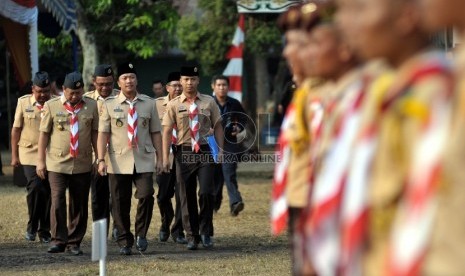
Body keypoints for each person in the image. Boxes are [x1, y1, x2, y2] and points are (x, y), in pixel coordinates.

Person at [337, 0, 454, 275]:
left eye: (360, 10)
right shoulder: (384, 89)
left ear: (407, 18)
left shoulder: (435, 94)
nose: (345, 24)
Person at [97, 62, 163, 256]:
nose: (129, 81)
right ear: (119, 82)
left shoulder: (149, 103)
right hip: (118, 160)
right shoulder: (109, 104)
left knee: (146, 195)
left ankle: (141, 233)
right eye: (125, 78)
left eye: (132, 77)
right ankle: (125, 240)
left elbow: (156, 132)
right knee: (119, 202)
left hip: (143, 158)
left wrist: (161, 158)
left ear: (136, 80)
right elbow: (102, 134)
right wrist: (101, 159)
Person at [162, 66, 224, 250]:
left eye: (193, 79)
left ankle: (205, 232)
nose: (189, 83)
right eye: (186, 79)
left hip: (204, 150)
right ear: (181, 81)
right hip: (184, 151)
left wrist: (220, 149)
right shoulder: (173, 104)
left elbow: (218, 125)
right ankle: (191, 235)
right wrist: (165, 157)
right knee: (186, 195)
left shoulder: (209, 102)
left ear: (198, 81)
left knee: (206, 191)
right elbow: (166, 131)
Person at [37, 71, 99, 255]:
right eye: (71, 92)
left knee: (79, 203)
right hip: (57, 162)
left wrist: (99, 157)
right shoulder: (51, 106)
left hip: (82, 162)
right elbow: (44, 135)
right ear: (63, 89)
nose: (75, 96)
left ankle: (74, 242)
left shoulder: (91, 106)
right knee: (57, 200)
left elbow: (95, 133)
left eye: (78, 92)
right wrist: (40, 161)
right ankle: (58, 240)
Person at [11, 71, 52, 243]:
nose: (42, 95)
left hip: (50, 153)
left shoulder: (56, 103)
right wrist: (14, 156)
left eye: (46, 91)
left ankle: (45, 231)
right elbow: (16, 130)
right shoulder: (23, 102)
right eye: (39, 91)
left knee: (48, 191)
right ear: (33, 88)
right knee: (35, 187)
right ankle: (32, 226)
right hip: (29, 152)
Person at [83, 64, 119, 236]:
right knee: (98, 197)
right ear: (93, 82)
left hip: (119, 156)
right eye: (101, 84)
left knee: (118, 195)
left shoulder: (122, 97)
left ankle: (119, 227)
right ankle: (100, 234)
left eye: (109, 84)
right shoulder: (85, 100)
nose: (105, 88)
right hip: (95, 157)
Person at [155, 71, 187, 244]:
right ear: (167, 88)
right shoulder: (156, 105)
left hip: (184, 156)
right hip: (164, 156)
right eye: (174, 85)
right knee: (162, 196)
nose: (177, 88)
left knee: (183, 195)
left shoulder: (190, 104)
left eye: (179, 85)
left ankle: (178, 229)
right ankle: (165, 222)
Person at [212, 75, 246, 216]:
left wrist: (239, 127)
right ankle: (214, 204)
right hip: (212, 143)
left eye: (224, 85)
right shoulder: (208, 102)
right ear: (213, 86)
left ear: (228, 87)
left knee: (229, 173)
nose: (221, 87)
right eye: (219, 85)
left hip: (230, 144)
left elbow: (243, 119)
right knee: (216, 177)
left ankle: (235, 203)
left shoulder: (234, 103)